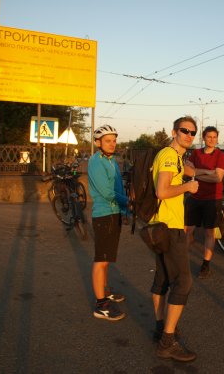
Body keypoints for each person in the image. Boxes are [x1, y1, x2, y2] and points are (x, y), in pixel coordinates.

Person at [150, 116, 199, 362]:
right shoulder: (170, 156)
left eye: (193, 132)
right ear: (174, 131)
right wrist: (188, 187)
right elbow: (163, 191)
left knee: (162, 278)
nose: (190, 135)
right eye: (185, 131)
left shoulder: (171, 156)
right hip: (169, 228)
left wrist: (188, 169)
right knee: (183, 282)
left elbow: (185, 170)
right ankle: (167, 342)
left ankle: (160, 328)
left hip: (159, 226)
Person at [88, 124, 129, 321]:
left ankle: (105, 291)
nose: (112, 144)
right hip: (104, 215)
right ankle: (101, 305)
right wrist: (128, 202)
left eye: (114, 140)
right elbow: (106, 192)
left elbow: (118, 188)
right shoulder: (96, 162)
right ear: (98, 143)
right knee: (100, 260)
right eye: (107, 141)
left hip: (114, 213)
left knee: (107, 259)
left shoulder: (111, 161)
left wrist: (124, 209)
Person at [184, 126, 224, 279]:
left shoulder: (220, 156)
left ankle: (205, 264)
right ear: (203, 138)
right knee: (187, 230)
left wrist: (196, 173)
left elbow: (218, 178)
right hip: (195, 197)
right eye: (209, 137)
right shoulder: (196, 153)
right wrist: (208, 172)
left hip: (212, 199)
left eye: (214, 137)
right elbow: (186, 170)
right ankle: (182, 261)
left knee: (210, 232)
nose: (212, 140)